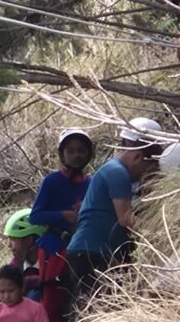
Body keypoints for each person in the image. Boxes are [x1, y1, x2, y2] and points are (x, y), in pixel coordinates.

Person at [65, 118, 162, 309]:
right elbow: (125, 219)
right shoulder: (118, 174)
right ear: (138, 156)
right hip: (92, 251)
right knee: (96, 309)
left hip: (91, 250)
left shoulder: (112, 169)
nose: (143, 174)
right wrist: (157, 232)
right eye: (147, 168)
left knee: (97, 307)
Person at [29, 128, 92, 322]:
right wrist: (63, 215)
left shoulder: (91, 183)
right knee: (51, 297)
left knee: (79, 294)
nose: (76, 155)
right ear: (62, 154)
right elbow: (35, 216)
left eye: (81, 150)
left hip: (80, 247)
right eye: (70, 151)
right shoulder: (52, 182)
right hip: (54, 247)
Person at [3, 208, 45, 301]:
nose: (9, 245)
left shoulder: (51, 260)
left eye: (13, 239)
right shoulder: (16, 264)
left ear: (29, 240)